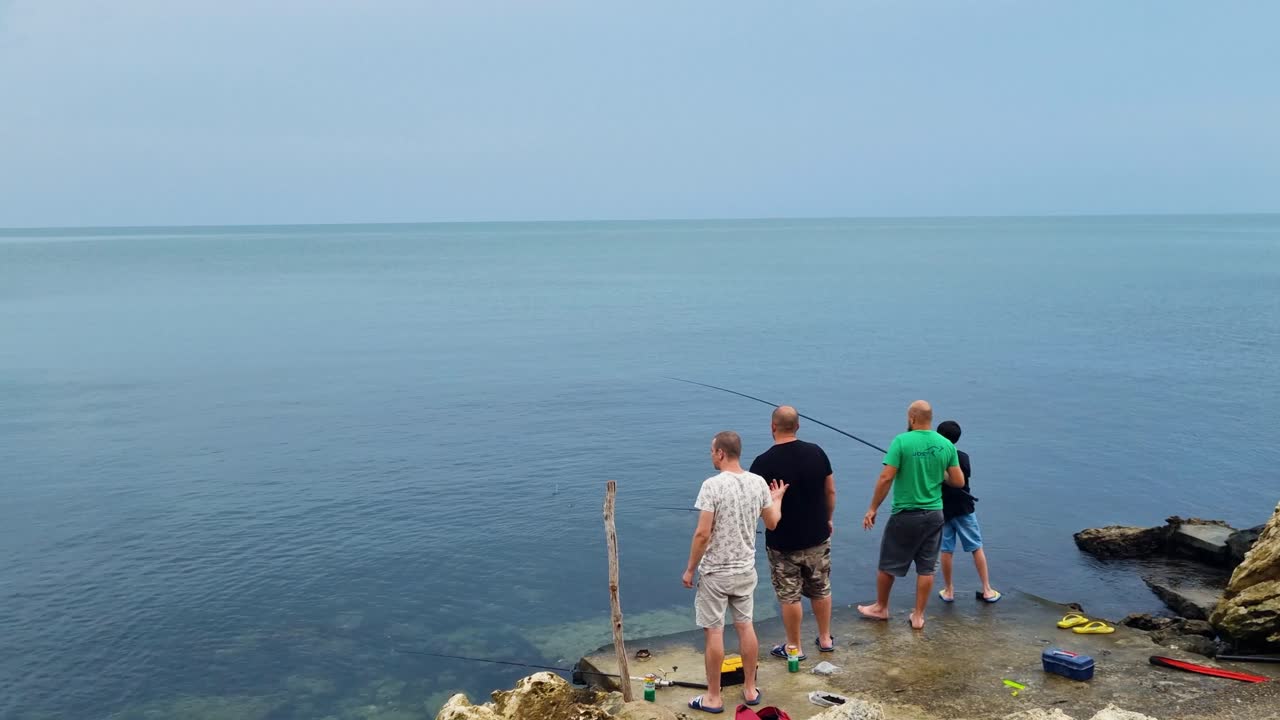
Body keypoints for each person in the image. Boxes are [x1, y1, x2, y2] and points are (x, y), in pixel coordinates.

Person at [682, 431, 788, 714]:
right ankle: (750, 689)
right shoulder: (758, 483)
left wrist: (691, 568)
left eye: (711, 450)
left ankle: (713, 698)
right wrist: (776, 498)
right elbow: (773, 523)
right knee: (745, 626)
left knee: (714, 632)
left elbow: (703, 533)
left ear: (720, 453)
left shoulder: (711, 486)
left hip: (716, 573)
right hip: (745, 571)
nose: (710, 455)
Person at [856, 400, 965, 630]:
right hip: (935, 513)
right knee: (926, 567)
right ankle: (918, 616)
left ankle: (881, 607)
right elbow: (958, 481)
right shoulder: (946, 445)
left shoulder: (901, 441)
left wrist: (873, 508)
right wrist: (938, 472)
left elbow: (886, 478)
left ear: (912, 418)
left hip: (906, 513)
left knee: (888, 563)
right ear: (931, 418)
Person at [748, 406, 837, 660]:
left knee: (789, 595)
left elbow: (758, 507)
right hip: (817, 536)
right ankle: (825, 638)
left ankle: (794, 647)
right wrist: (828, 518)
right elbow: (830, 491)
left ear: (772, 427)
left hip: (782, 542)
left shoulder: (763, 462)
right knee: (821, 587)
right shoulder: (817, 453)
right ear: (797, 426)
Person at [935, 420, 1000, 603]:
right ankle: (987, 589)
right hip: (964, 509)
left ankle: (948, 591)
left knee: (946, 550)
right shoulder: (963, 457)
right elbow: (962, 479)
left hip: (944, 510)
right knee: (976, 547)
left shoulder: (933, 459)